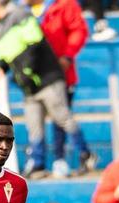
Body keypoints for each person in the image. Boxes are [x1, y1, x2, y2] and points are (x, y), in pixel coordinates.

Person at [0, 0, 97, 179]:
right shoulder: (0, 29)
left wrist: (27, 71)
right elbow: (3, 57)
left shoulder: (21, 15)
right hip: (29, 87)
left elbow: (34, 43)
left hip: (47, 79)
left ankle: (86, 154)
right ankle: (37, 163)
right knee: (34, 125)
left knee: (61, 117)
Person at [25, 0, 89, 178]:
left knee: (59, 117)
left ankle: (60, 159)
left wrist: (68, 56)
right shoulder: (22, 11)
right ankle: (37, 161)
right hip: (35, 78)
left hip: (60, 74)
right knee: (35, 120)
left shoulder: (65, 5)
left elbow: (79, 30)